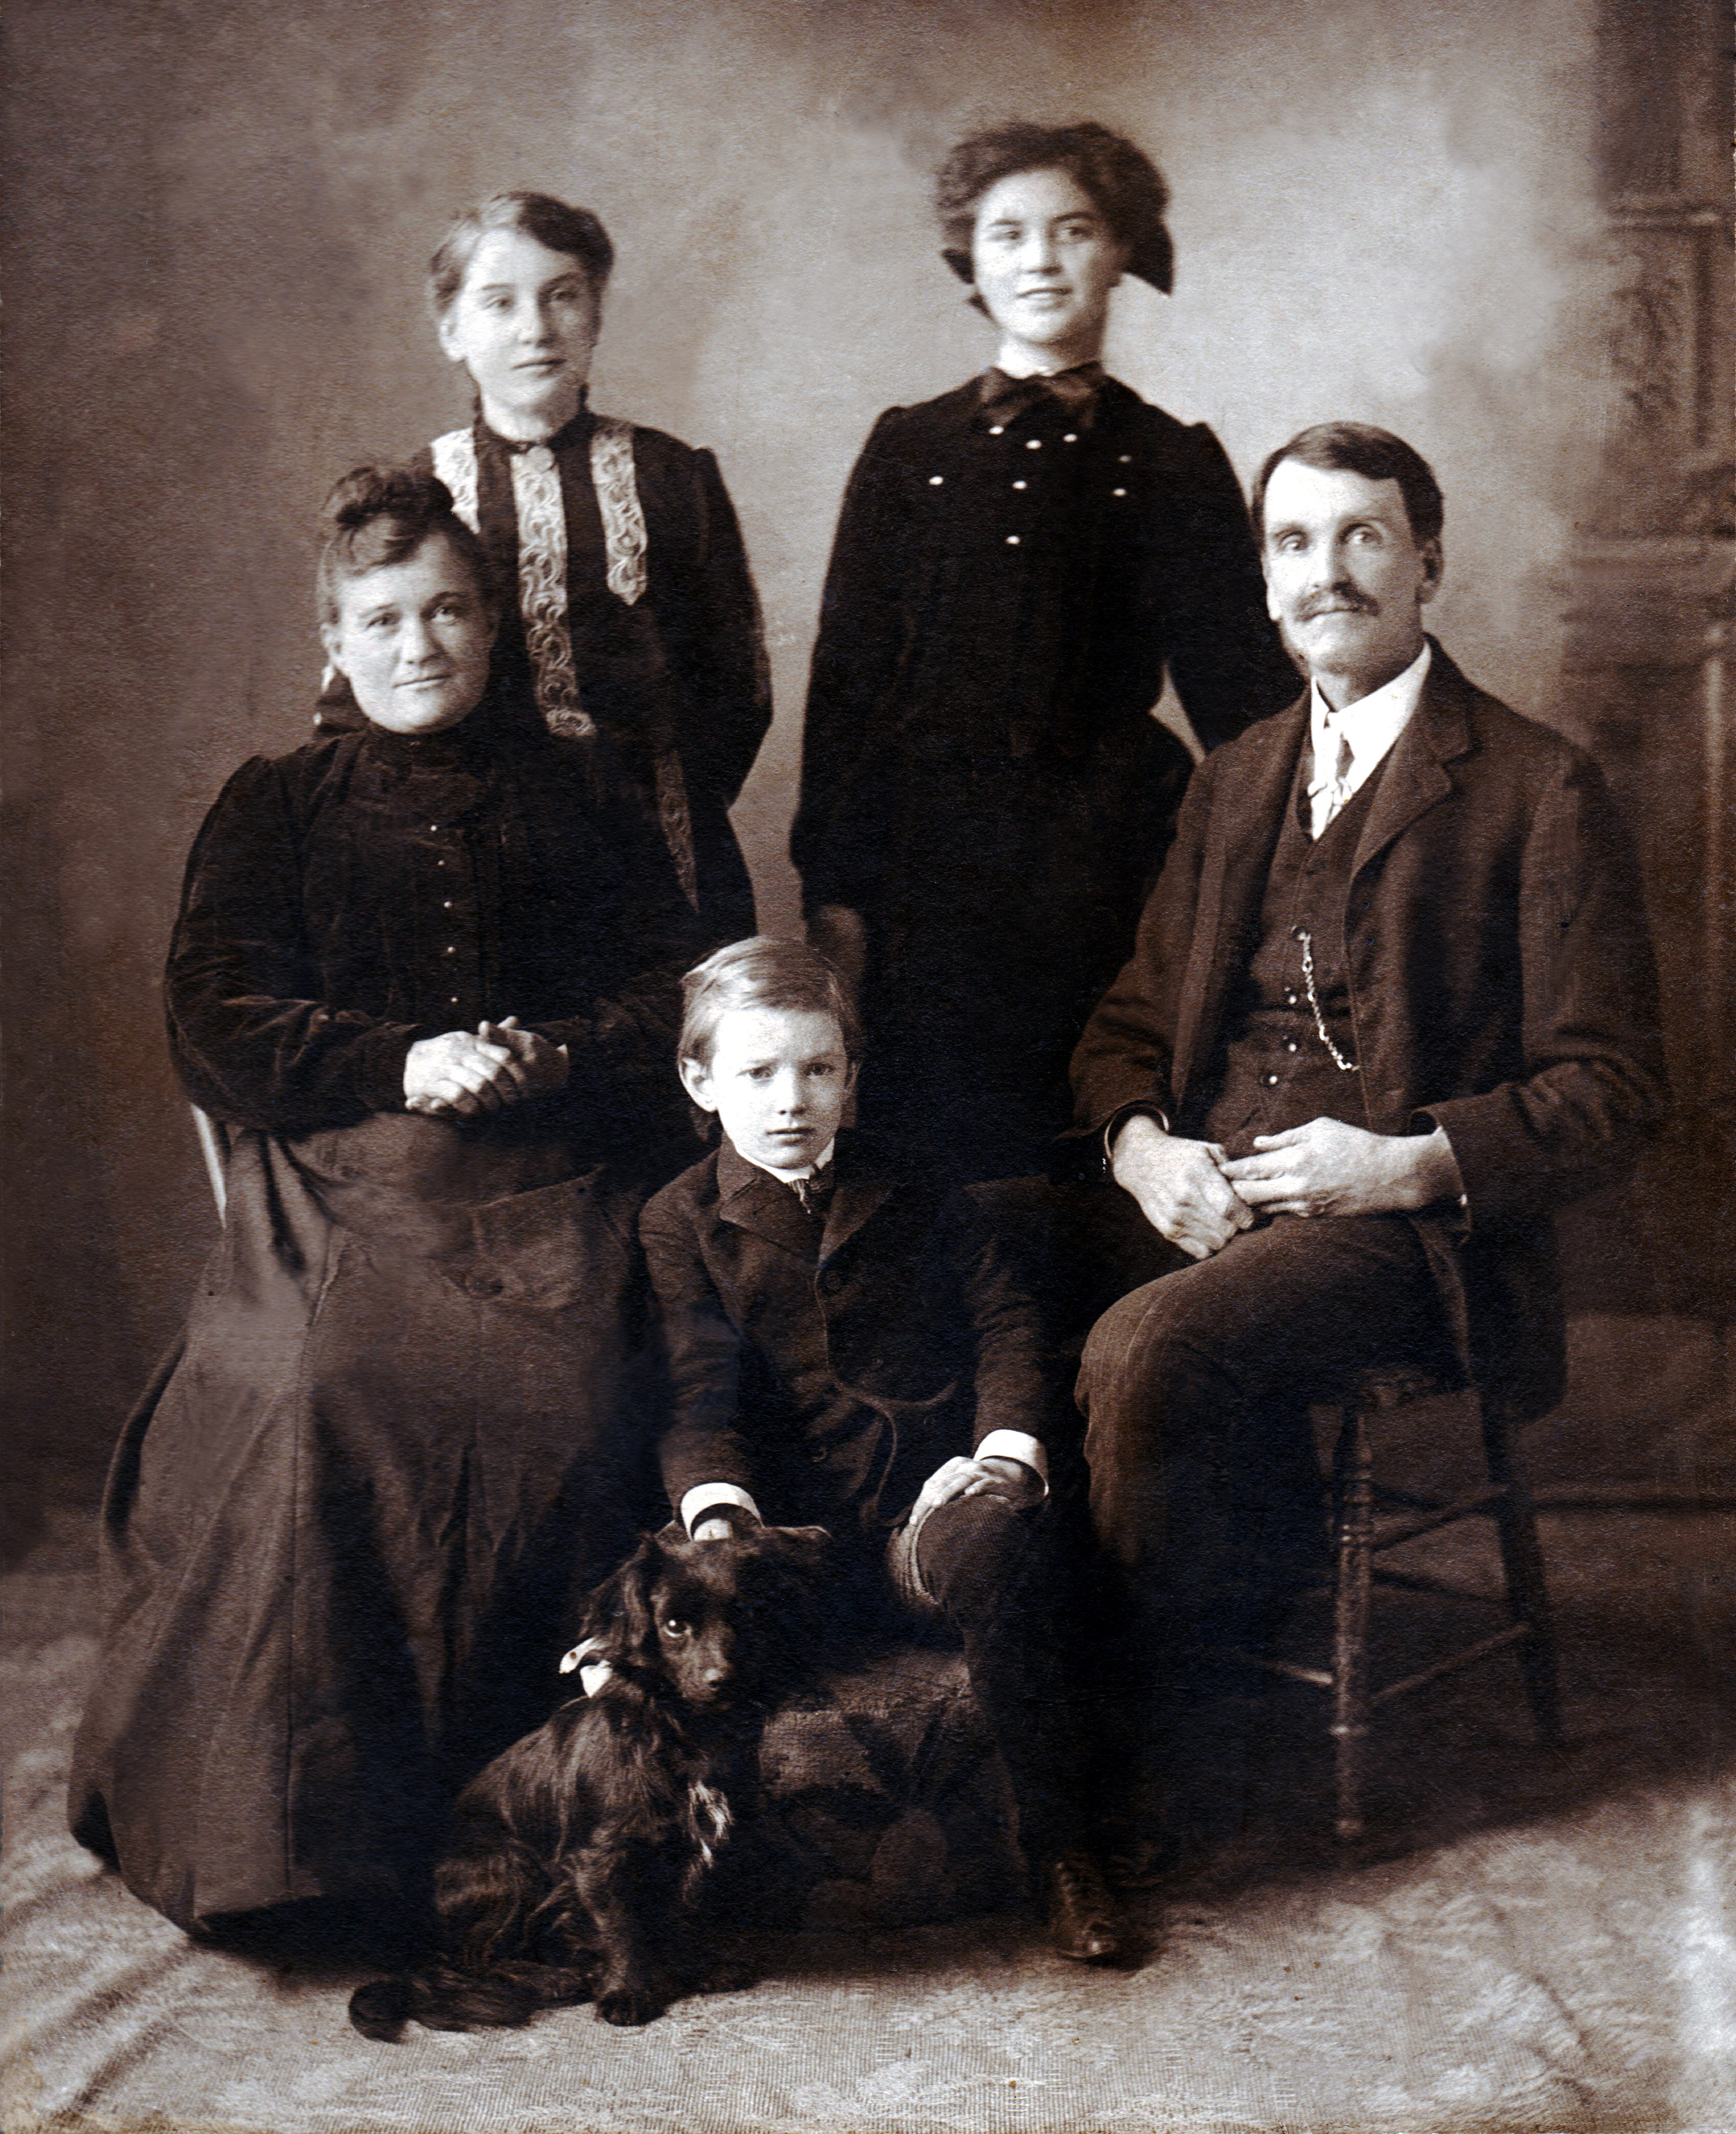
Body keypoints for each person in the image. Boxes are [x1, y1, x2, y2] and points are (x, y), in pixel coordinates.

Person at [70, 467, 704, 1947]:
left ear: (491, 625)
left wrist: (549, 1051)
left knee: (575, 1385)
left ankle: (532, 1815)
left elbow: (670, 988)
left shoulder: (582, 790)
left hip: (555, 1177)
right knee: (324, 1392)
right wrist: (398, 1059)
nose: (418, 644)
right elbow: (211, 1016)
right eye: (382, 618)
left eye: (446, 611)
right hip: (342, 1184)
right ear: (333, 643)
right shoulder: (275, 803)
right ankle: (303, 1843)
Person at [1065, 421, 1670, 1831]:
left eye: (1359, 536)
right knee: (961, 1253)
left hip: (1409, 1239)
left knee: (1146, 1343)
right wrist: (1143, 1155)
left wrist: (1399, 1165)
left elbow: (1610, 1089)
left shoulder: (1536, 787)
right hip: (1210, 1189)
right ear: (1261, 580)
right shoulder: (1232, 781)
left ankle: (1119, 1783)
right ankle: (1000, 1710)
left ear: (1426, 564)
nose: (1322, 572)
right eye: (1290, 542)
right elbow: (1124, 1034)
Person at [792, 121, 1299, 1179]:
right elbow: (845, 689)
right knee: (929, 1154)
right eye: (1008, 233)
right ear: (968, 261)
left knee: (1091, 1136)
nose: (1039, 259)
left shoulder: (1171, 460)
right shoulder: (908, 449)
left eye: (1073, 231)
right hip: (926, 873)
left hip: (1106, 869)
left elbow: (1245, 704)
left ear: (1121, 253)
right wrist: (835, 898)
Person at [640, 939, 1127, 1961]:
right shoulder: (679, 1221)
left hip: (924, 1510)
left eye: (819, 1070)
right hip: (796, 1535)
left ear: (851, 1075)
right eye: (758, 1072)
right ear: (699, 1078)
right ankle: (702, 1878)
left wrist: (1000, 1456)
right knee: (670, 1604)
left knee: (998, 1544)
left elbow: (1005, 1324)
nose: (791, 1100)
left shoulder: (916, 1182)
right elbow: (698, 1397)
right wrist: (722, 1514)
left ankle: (1062, 1852)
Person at [317, 192, 770, 943]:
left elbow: (735, 687)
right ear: (450, 330)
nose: (535, 330)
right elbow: (351, 701)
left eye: (563, 296)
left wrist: (665, 795)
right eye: (499, 303)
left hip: (659, 847)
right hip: (476, 857)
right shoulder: (418, 489)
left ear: (595, 314)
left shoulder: (672, 477)